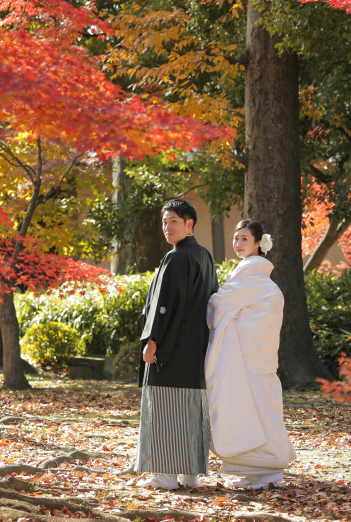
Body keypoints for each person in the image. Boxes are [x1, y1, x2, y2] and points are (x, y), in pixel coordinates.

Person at [134, 199, 219, 490]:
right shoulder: (205, 256)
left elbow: (164, 305)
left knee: (165, 406)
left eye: (173, 221)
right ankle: (190, 474)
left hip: (172, 349)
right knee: (190, 409)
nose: (167, 227)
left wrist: (153, 341)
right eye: (164, 222)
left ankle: (167, 475)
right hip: (195, 349)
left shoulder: (176, 257)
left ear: (189, 224)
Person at [205, 219, 296, 489]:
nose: (238, 244)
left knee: (253, 409)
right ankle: (263, 468)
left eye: (244, 239)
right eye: (236, 238)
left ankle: (263, 469)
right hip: (258, 357)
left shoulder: (250, 277)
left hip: (245, 358)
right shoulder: (260, 279)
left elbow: (218, 305)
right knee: (262, 409)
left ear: (259, 243)